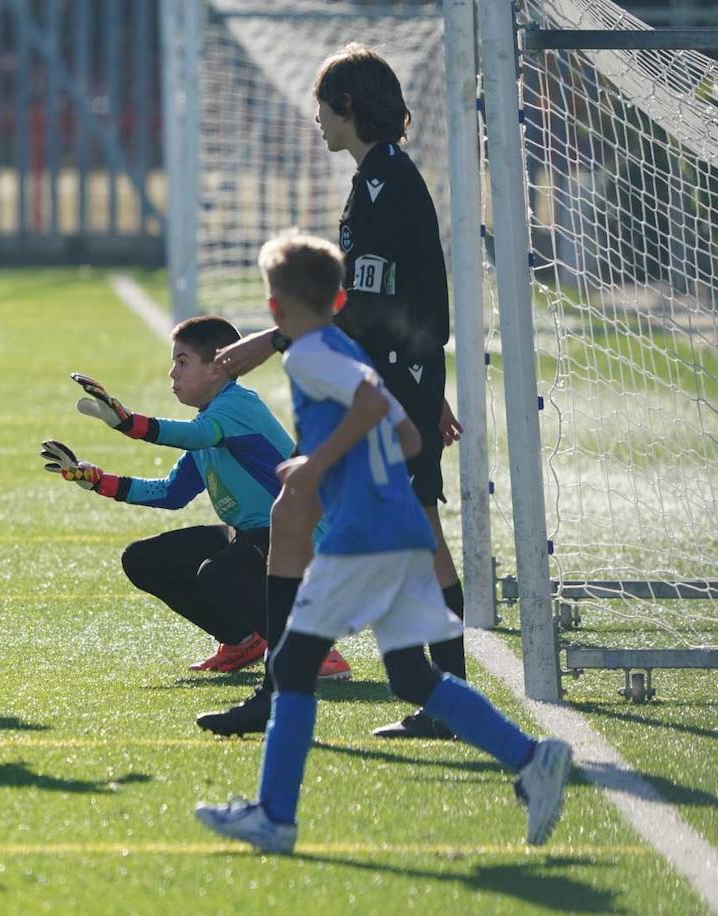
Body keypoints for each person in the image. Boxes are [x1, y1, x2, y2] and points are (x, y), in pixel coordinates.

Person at [194, 231, 572, 854]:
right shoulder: (345, 347)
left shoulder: (310, 355)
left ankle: (274, 817)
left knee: (290, 665)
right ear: (341, 298)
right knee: (408, 674)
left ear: (275, 311)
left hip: (362, 535)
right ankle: (532, 757)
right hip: (399, 529)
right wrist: (333, 462)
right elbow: (407, 437)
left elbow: (370, 407)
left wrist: (315, 466)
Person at [207, 43, 465, 740]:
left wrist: (269, 341)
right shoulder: (377, 179)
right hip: (392, 381)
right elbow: (399, 304)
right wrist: (423, 380)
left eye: (321, 106)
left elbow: (360, 311)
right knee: (298, 519)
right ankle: (280, 692)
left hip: (374, 390)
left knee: (413, 543)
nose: (315, 119)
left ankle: (436, 699)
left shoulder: (387, 185)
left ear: (346, 107)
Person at [38, 316, 349, 680]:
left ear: (217, 368)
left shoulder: (237, 405)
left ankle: (314, 651)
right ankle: (242, 641)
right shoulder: (209, 426)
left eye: (182, 362)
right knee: (142, 559)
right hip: (260, 534)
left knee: (221, 574)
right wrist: (98, 481)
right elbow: (171, 493)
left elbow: (197, 435)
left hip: (303, 535)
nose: (172, 373)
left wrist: (129, 423)